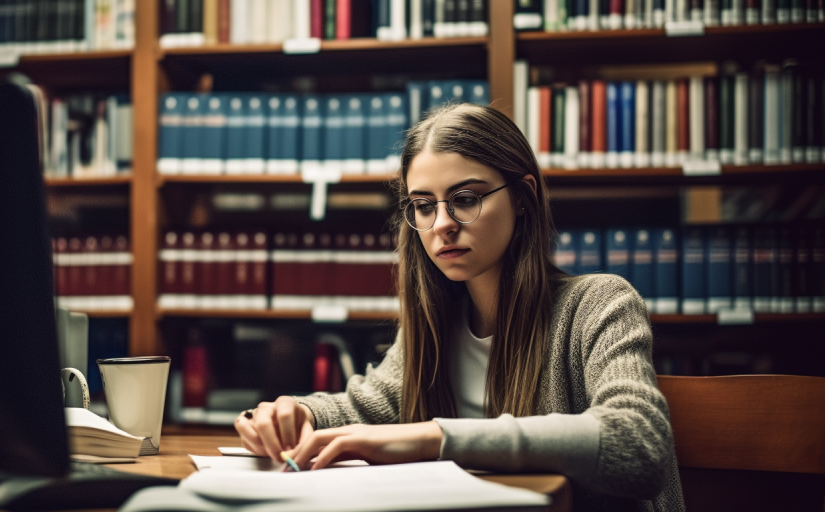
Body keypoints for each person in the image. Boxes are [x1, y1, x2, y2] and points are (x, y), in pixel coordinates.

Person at [235, 103, 684, 511]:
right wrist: (298, 413)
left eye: (466, 199)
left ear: (523, 197)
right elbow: (367, 408)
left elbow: (639, 445)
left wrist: (437, 437)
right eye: (424, 206)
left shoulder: (600, 303)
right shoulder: (438, 321)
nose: (442, 225)